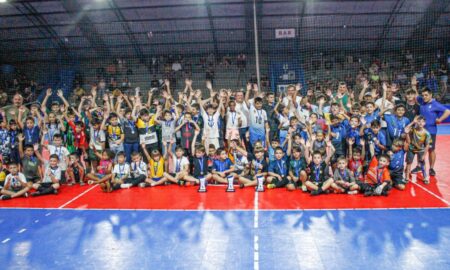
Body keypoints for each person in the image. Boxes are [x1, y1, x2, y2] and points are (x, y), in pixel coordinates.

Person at [415, 87, 450, 176]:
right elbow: (415, 96)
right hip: (420, 131)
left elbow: (447, 111)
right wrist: (414, 85)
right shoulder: (422, 101)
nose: (424, 97)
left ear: (431, 95)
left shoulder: (435, 104)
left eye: (426, 95)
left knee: (431, 149)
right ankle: (419, 166)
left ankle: (431, 168)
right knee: (419, 149)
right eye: (423, 95)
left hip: (431, 131)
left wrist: (440, 119)